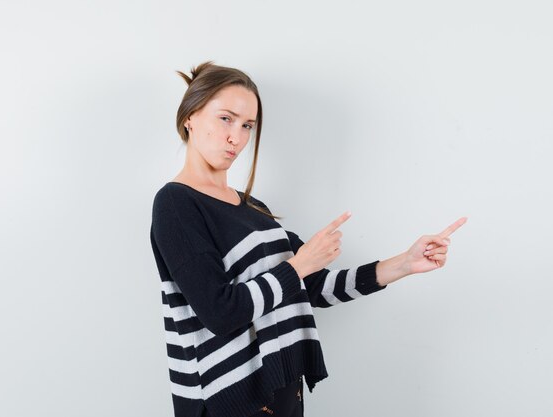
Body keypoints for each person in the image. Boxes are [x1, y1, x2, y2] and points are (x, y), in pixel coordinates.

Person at [149, 61, 467, 417]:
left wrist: (404, 264)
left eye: (247, 126)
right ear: (191, 116)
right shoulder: (175, 203)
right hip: (228, 400)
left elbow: (313, 286)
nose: (236, 137)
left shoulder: (253, 208)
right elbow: (220, 313)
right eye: (226, 118)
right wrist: (298, 265)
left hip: (280, 388)